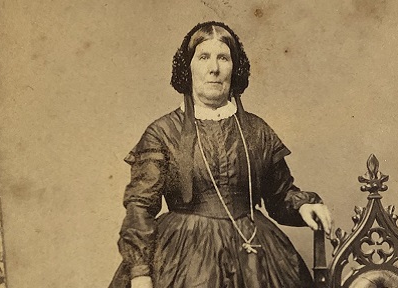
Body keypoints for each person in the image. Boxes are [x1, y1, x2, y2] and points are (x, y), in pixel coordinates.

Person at [109, 21, 332, 288]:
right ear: (188, 68)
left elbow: (279, 195)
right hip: (184, 260)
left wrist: (302, 204)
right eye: (204, 57)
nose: (214, 68)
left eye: (223, 58)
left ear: (234, 68)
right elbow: (140, 208)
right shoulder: (163, 132)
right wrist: (141, 272)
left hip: (257, 257)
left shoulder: (256, 130)